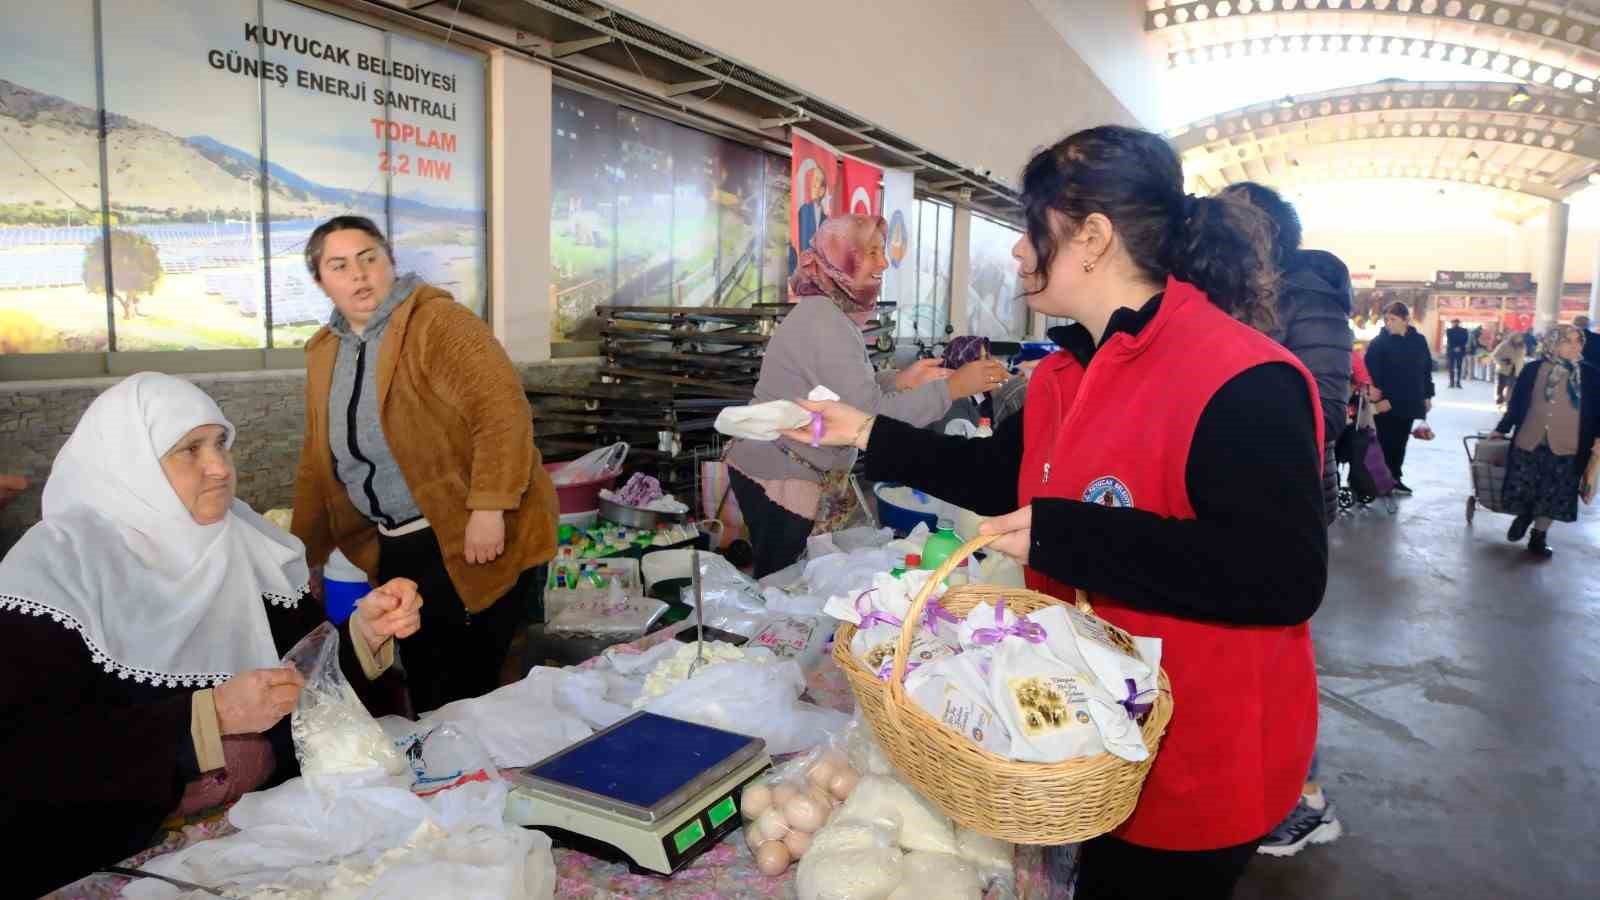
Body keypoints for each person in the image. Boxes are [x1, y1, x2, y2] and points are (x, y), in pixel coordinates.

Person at [793, 126, 1326, 899]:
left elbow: (1281, 576)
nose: (1016, 254)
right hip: (1090, 744)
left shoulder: (1242, 378)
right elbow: (999, 473)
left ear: (1092, 237)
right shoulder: (1063, 375)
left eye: (1028, 229)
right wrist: (867, 429)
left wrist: (1067, 535)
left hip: (1201, 762)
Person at [0, 373, 422, 896]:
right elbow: (32, 754)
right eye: (189, 450)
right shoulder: (55, 573)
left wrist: (363, 634)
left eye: (221, 442)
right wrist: (208, 717)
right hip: (112, 856)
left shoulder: (249, 546)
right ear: (129, 467)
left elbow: (309, 683)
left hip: (259, 834)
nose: (220, 467)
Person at [291, 216, 558, 715]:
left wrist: (489, 506)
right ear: (320, 280)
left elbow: (500, 410)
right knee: (425, 673)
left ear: (390, 262)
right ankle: (449, 778)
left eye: (369, 258)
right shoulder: (326, 351)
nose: (359, 275)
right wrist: (306, 551)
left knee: (473, 682)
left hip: (468, 536)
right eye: (340, 265)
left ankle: (487, 778)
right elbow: (318, 458)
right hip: (396, 541)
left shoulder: (437, 323)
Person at [726, 214, 1007, 577]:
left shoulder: (829, 314)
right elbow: (868, 417)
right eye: (872, 252)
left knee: (804, 576)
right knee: (784, 582)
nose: (884, 262)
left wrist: (901, 381)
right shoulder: (824, 322)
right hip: (781, 475)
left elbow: (844, 389)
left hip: (792, 467)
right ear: (843, 258)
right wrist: (953, 388)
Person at [1220, 182, 1349, 858]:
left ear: (1267, 230)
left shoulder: (1309, 294)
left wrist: (1236, 420)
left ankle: (1308, 798)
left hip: (1286, 496)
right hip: (1239, 491)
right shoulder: (1238, 289)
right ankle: (1269, 788)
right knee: (1246, 653)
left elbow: (1323, 400)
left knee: (1277, 654)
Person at [1223, 182, 1353, 528]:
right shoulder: (1221, 295)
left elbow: (1326, 416)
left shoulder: (1314, 302)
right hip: (1223, 489)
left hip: (1287, 495)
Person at [1489, 324, 1598, 558]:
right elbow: (1516, 405)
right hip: (1530, 438)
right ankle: (1525, 514)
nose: (1575, 346)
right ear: (1553, 342)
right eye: (1568, 341)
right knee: (1525, 487)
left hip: (1569, 445)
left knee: (1555, 494)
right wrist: (1501, 429)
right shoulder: (1533, 370)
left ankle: (1539, 537)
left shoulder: (1590, 374)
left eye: (1578, 341)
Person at [1364, 302, 1434, 495]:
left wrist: (1427, 395)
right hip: (1386, 402)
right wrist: (1374, 395)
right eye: (1386, 319)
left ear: (1406, 320)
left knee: (1401, 442)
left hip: (1410, 401)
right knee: (1384, 441)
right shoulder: (1379, 343)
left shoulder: (1419, 341)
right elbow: (1369, 372)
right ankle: (1380, 481)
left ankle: (1395, 478)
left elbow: (1426, 370)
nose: (1388, 323)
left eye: (1393, 319)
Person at [1492, 329, 1530, 406]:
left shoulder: (1522, 346)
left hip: (1516, 369)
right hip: (1504, 369)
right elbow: (1494, 355)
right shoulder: (1504, 345)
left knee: (1512, 386)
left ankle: (1508, 400)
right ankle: (1500, 397)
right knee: (1501, 385)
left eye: (1520, 338)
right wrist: (1503, 360)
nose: (1518, 340)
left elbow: (1522, 357)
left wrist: (1522, 365)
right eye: (1516, 338)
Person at [1445, 318, 1470, 388]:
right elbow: (1449, 340)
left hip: (1458, 350)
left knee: (1459, 367)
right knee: (1451, 368)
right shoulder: (1449, 331)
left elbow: (1465, 340)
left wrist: (1458, 347)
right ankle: (1452, 382)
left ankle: (1458, 382)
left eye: (1456, 322)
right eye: (1453, 323)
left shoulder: (1464, 330)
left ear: (1458, 323)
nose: (1454, 324)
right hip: (1453, 351)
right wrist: (1456, 347)